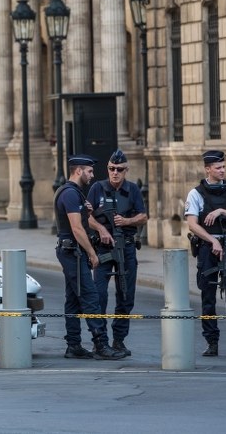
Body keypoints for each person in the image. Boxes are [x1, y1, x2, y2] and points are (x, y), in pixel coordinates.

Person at [54, 154, 126, 360]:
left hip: (70, 252)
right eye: (89, 171)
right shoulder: (70, 194)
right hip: (73, 252)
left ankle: (73, 345)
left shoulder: (73, 193)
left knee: (73, 300)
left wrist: (86, 211)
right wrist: (92, 254)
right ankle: (101, 344)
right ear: (79, 171)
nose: (92, 175)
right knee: (90, 297)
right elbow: (76, 229)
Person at [184, 150, 226, 358]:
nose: (222, 170)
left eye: (223, 167)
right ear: (207, 169)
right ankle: (211, 342)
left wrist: (222, 211)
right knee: (207, 297)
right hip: (207, 248)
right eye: (218, 167)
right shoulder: (196, 193)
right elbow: (192, 224)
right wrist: (212, 240)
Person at [87, 149, 147, 357]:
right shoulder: (97, 188)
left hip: (126, 246)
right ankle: (100, 340)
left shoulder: (132, 190)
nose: (115, 173)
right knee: (99, 295)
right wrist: (101, 229)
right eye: (112, 169)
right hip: (103, 248)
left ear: (126, 170)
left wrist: (127, 221)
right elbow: (88, 217)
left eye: (119, 170)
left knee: (125, 294)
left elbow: (143, 216)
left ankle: (119, 340)